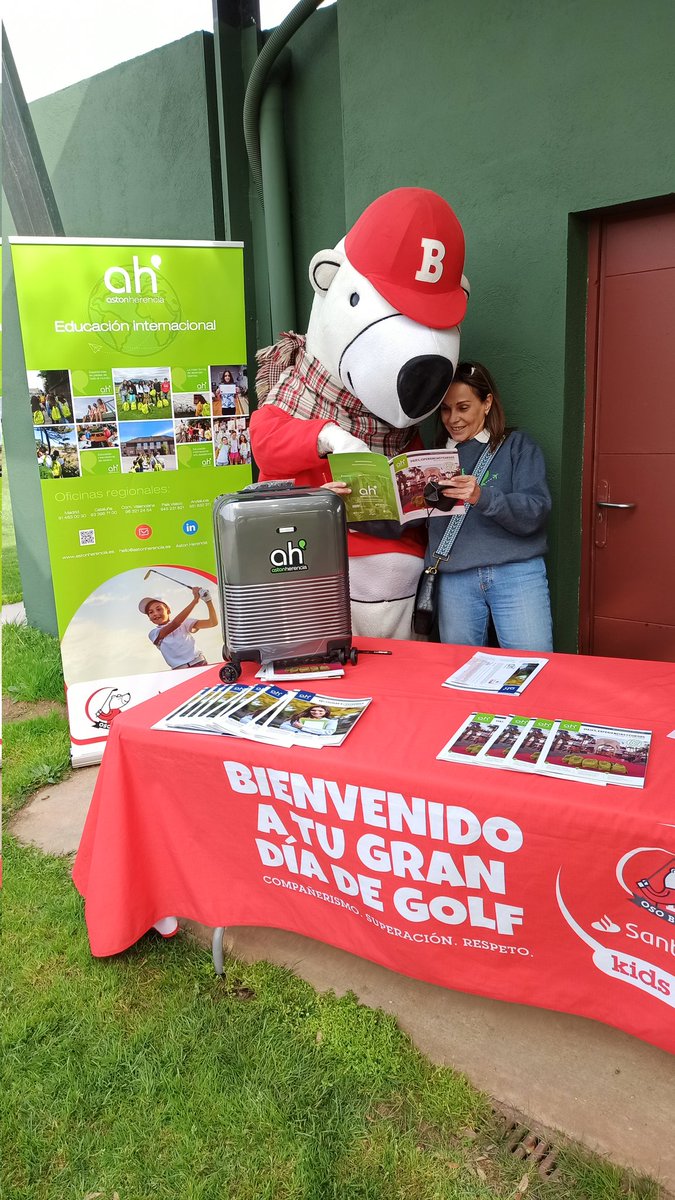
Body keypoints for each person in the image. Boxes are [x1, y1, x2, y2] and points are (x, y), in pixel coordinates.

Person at [427, 361, 553, 651]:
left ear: (486, 403)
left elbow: (535, 511)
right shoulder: (432, 457)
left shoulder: (517, 446)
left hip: (517, 572)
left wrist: (481, 496)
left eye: (463, 407)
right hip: (455, 576)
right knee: (459, 672)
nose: (453, 418)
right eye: (445, 409)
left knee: (532, 669)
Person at [139, 587, 218, 669]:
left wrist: (208, 600)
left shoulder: (184, 622)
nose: (155, 613)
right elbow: (175, 623)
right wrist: (195, 601)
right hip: (179, 671)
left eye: (159, 609)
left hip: (199, 662)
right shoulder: (153, 633)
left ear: (168, 611)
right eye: (151, 612)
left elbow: (212, 622)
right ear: (149, 617)